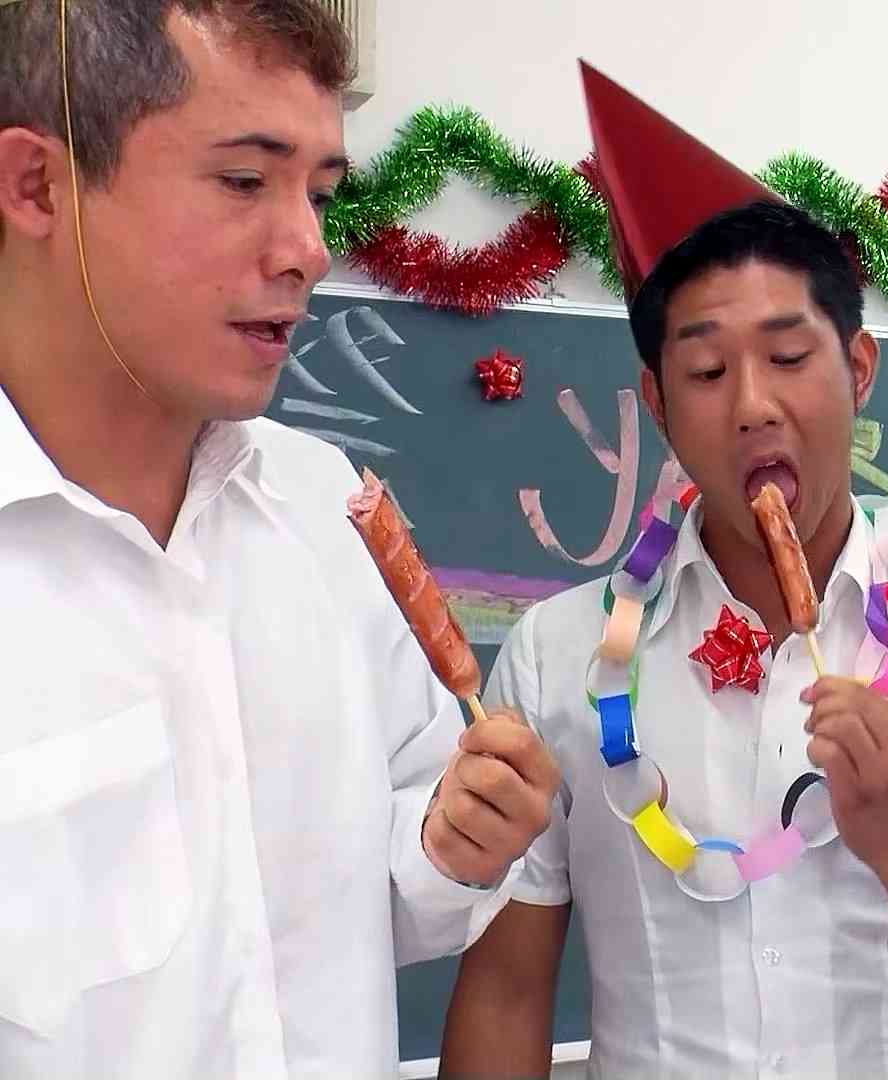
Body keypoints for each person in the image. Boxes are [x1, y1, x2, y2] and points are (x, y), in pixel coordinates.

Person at [436, 66, 888, 1079]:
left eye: (788, 359)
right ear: (657, 402)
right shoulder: (559, 655)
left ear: (858, 369)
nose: (751, 406)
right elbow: (510, 989)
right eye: (706, 372)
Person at [0, 3, 557, 1076]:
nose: (308, 249)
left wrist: (452, 844)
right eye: (244, 181)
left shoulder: (321, 506)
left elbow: (377, 891)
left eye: (321, 193)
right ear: (37, 186)